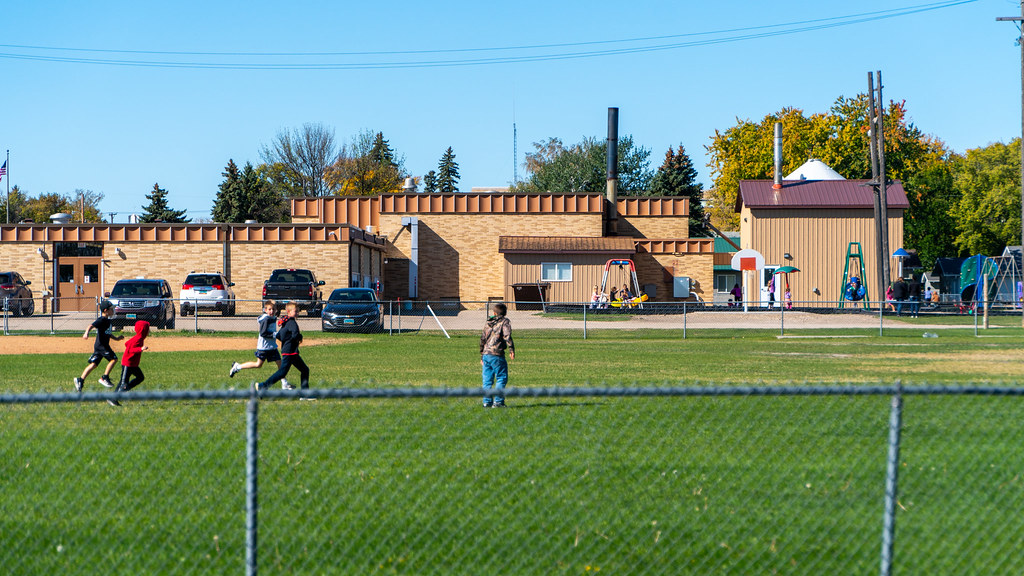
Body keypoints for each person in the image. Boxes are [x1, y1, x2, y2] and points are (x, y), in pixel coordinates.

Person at [229, 300, 293, 390]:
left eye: (273, 309)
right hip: (264, 347)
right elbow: (263, 333)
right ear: (265, 310)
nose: (272, 311)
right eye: (270, 309)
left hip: (272, 347)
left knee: (280, 364)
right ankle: (237, 367)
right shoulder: (266, 319)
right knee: (258, 364)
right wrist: (275, 335)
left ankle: (284, 383)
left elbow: (272, 333)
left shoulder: (273, 318)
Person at [259, 302, 310, 395]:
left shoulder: (286, 322)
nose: (297, 313)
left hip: (289, 352)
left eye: (298, 311)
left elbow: (279, 335)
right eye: (296, 311)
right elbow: (294, 335)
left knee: (304, 370)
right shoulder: (292, 322)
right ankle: (262, 386)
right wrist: (299, 337)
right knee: (283, 372)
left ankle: (305, 393)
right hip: (290, 352)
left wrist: (286, 340)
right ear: (289, 312)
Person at [75, 300, 123, 392]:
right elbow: (91, 326)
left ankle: (80, 380)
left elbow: (108, 334)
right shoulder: (101, 320)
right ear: (105, 310)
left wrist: (117, 339)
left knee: (94, 364)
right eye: (111, 309)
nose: (113, 311)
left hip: (101, 346)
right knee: (114, 359)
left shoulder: (108, 321)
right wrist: (86, 333)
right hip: (102, 346)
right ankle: (104, 377)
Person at [480, 302, 515, 408]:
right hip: (497, 353)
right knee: (501, 377)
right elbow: (507, 336)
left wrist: (482, 354)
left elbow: (483, 338)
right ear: (505, 313)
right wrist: (511, 349)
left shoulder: (488, 322)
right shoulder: (504, 321)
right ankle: (498, 401)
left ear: (494, 313)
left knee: (487, 379)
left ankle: (487, 402)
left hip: (486, 353)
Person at [110, 320, 150, 407]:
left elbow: (126, 343)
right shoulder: (138, 339)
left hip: (133, 364)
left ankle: (121, 392)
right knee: (123, 383)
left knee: (140, 377)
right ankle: (115, 397)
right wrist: (140, 349)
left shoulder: (139, 338)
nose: (149, 331)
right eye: (148, 329)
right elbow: (130, 349)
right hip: (127, 364)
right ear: (143, 330)